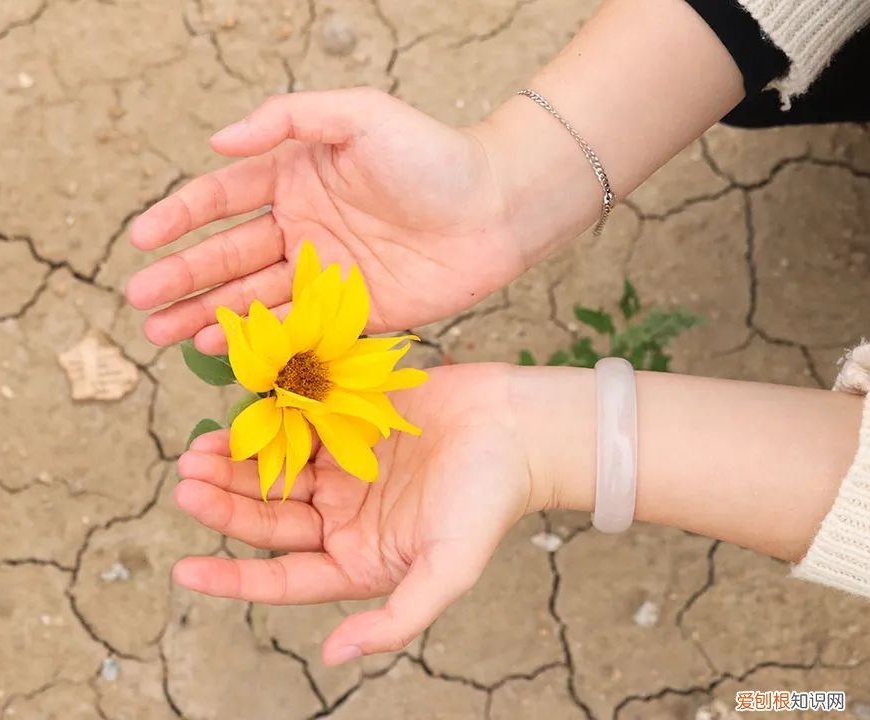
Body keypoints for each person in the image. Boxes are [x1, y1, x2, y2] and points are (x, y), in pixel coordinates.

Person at [125, 0, 870, 666]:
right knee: (755, 89)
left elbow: (362, 388)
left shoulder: (316, 387)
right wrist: (510, 178)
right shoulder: (299, 375)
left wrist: (552, 440)